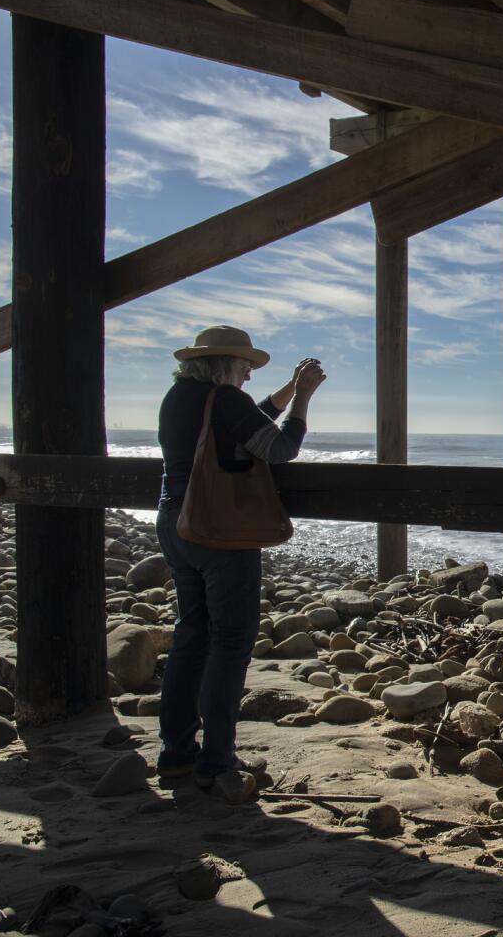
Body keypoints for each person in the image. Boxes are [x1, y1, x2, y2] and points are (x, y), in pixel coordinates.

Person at [154, 325, 326, 800]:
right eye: (246, 366)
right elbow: (279, 448)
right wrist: (305, 400)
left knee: (191, 635)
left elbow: (243, 422)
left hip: (174, 520)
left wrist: (288, 391)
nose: (249, 374)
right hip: (219, 530)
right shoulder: (224, 400)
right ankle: (217, 758)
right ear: (226, 364)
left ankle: (176, 754)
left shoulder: (179, 396)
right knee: (231, 642)